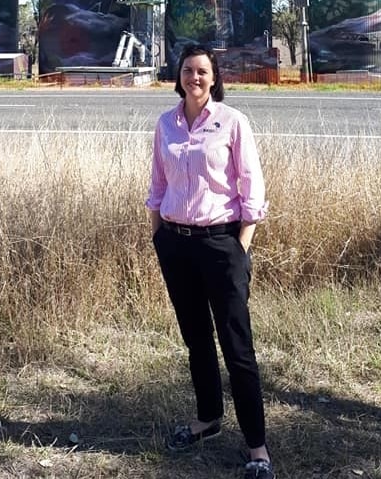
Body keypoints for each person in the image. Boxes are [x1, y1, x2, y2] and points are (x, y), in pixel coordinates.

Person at [146, 44, 274, 479]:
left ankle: (257, 448)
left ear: (214, 78)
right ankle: (208, 419)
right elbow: (157, 183)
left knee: (237, 347)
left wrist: (241, 245)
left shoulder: (232, 122)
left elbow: (251, 188)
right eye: (187, 71)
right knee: (196, 339)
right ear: (178, 76)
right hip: (176, 244)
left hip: (221, 245)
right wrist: (157, 233)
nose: (194, 78)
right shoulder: (166, 123)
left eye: (202, 71)